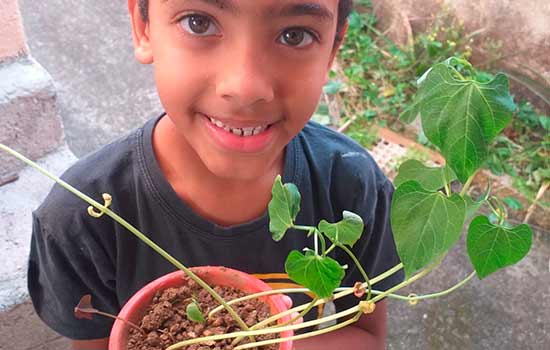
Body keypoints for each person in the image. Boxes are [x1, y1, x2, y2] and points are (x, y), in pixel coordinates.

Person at [28, 0, 404, 349]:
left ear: (333, 50)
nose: (245, 87)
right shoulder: (81, 219)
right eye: (199, 22)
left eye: (295, 35)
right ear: (143, 26)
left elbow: (365, 333)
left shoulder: (352, 188)